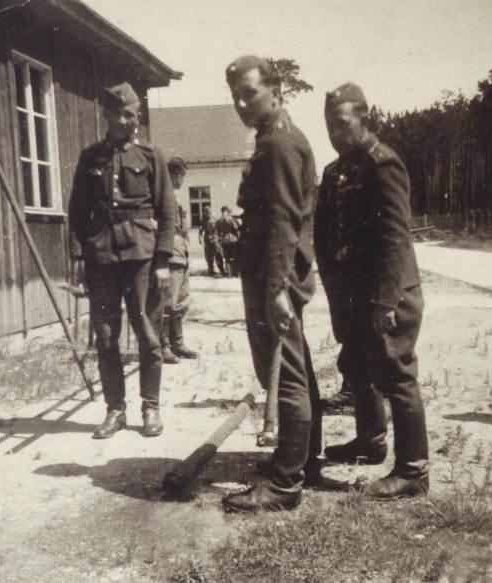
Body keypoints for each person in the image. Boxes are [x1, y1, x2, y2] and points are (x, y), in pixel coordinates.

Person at [313, 82, 429, 498]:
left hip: (388, 294)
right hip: (353, 295)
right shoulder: (334, 171)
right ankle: (371, 441)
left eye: (342, 123)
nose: (334, 132)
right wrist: (336, 296)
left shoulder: (383, 163)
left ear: (364, 118)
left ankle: (413, 471)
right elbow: (324, 237)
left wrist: (384, 301)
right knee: (356, 366)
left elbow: (396, 238)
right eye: (329, 125)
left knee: (396, 373)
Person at [221, 56, 321, 512]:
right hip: (270, 274)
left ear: (275, 91)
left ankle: (285, 485)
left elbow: (284, 219)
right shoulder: (273, 138)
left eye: (250, 93)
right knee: (296, 372)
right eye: (236, 96)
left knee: (287, 378)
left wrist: (278, 289)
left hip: (273, 277)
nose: (242, 103)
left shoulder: (279, 143)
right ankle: (303, 461)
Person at [68, 82, 175, 439]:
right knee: (106, 336)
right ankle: (115, 409)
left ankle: (150, 407)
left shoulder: (150, 155)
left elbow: (167, 211)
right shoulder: (91, 157)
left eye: (131, 114)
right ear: (106, 115)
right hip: (101, 256)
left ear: (137, 116)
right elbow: (77, 210)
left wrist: (163, 260)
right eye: (118, 114)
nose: (125, 121)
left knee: (148, 333)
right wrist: (80, 254)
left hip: (142, 256)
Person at [160, 157, 199, 364]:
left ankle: (177, 343)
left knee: (181, 301)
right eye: (182, 176)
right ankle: (163, 345)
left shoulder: (173, 198)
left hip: (181, 255)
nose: (182, 180)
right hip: (170, 256)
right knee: (167, 302)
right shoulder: (161, 196)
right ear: (175, 175)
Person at [198, 205, 225, 276]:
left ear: (211, 212)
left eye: (209, 212)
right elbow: (200, 231)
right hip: (207, 239)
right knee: (209, 256)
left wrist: (220, 238)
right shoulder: (202, 221)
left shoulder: (215, 219)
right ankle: (211, 271)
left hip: (215, 238)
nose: (207, 214)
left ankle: (222, 270)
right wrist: (200, 239)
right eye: (206, 212)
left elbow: (219, 229)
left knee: (218, 254)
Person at [215, 206, 240, 277]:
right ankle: (235, 273)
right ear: (226, 211)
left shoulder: (218, 220)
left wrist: (220, 240)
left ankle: (229, 273)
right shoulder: (231, 219)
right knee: (235, 256)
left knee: (227, 257)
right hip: (233, 239)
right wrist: (238, 238)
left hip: (224, 240)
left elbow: (218, 232)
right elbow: (236, 229)